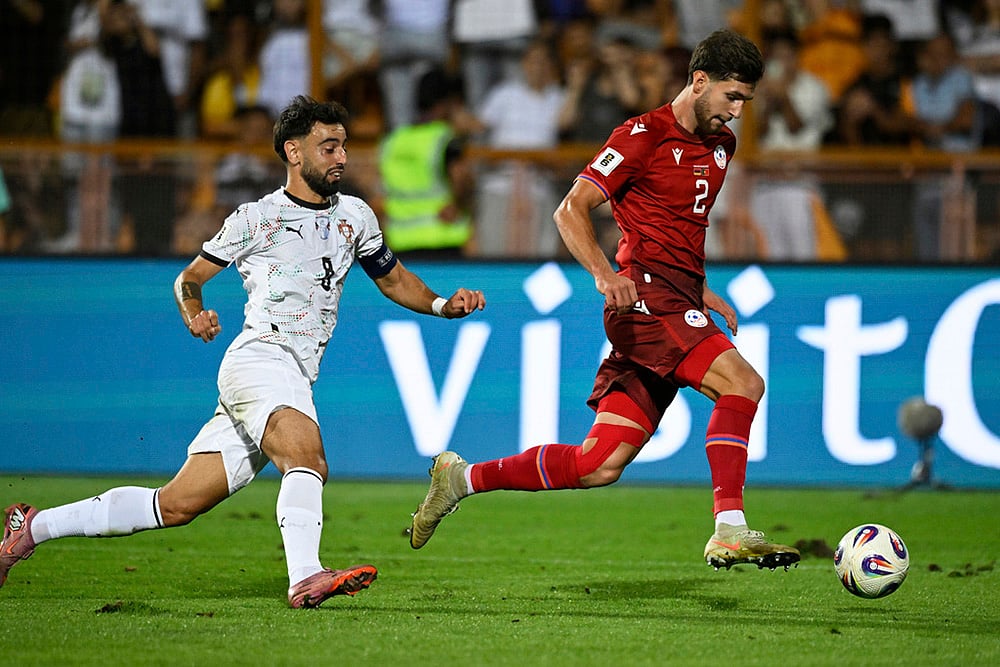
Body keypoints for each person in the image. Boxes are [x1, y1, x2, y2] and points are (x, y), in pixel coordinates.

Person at [1, 96, 487, 608]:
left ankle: (31, 528)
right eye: (329, 146)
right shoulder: (257, 218)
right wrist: (195, 313)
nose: (341, 156)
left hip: (293, 372)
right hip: (260, 358)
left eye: (343, 145)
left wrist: (439, 304)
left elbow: (393, 279)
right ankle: (305, 575)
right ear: (294, 152)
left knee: (177, 504)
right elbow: (190, 278)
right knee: (307, 456)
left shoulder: (356, 218)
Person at [408, 29, 801, 572]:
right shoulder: (641, 135)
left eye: (745, 102)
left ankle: (461, 479)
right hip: (645, 304)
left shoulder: (721, 146)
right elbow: (570, 209)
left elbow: (680, 227)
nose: (736, 112)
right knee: (744, 383)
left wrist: (699, 287)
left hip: (677, 300)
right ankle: (729, 527)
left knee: (598, 465)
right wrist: (602, 273)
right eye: (731, 97)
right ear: (699, 80)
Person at [377, 67, 475, 256]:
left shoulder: (393, 140)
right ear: (446, 103)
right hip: (443, 238)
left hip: (401, 242)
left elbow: (379, 189)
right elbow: (461, 178)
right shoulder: (444, 137)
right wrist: (458, 204)